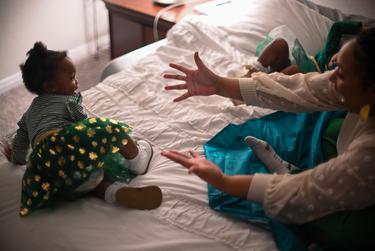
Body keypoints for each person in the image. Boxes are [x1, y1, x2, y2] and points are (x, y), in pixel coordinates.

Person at [161, 27, 375, 249]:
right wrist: (220, 84)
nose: (331, 77)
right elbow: (302, 88)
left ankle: (288, 173)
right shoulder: (353, 90)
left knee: (337, 227)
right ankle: (294, 172)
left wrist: (223, 181)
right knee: (331, 129)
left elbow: (305, 192)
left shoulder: (370, 153)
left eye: (340, 73)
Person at [1, 42, 162, 217]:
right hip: (64, 142)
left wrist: (16, 159)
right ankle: (138, 161)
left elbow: (20, 142)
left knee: (85, 179)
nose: (76, 82)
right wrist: (99, 136)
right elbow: (85, 125)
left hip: (45, 163)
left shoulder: (28, 114)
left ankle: (114, 193)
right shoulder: (68, 101)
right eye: (71, 78)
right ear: (50, 87)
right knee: (110, 130)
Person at [244, 20, 364, 77]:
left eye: (338, 64)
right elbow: (337, 27)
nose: (334, 61)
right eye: (339, 55)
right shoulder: (331, 51)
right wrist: (363, 30)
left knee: (297, 70)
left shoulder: (345, 76)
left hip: (311, 77)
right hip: (301, 62)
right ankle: (252, 73)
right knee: (280, 44)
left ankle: (258, 86)